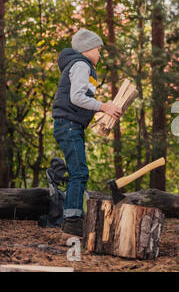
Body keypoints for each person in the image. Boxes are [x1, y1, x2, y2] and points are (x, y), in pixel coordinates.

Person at [52, 28, 122, 236]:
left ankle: (72, 218)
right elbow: (77, 97)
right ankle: (73, 221)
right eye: (99, 49)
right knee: (79, 172)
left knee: (78, 171)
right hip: (69, 124)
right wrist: (104, 107)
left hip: (70, 125)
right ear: (87, 48)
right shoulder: (82, 64)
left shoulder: (78, 65)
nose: (100, 54)